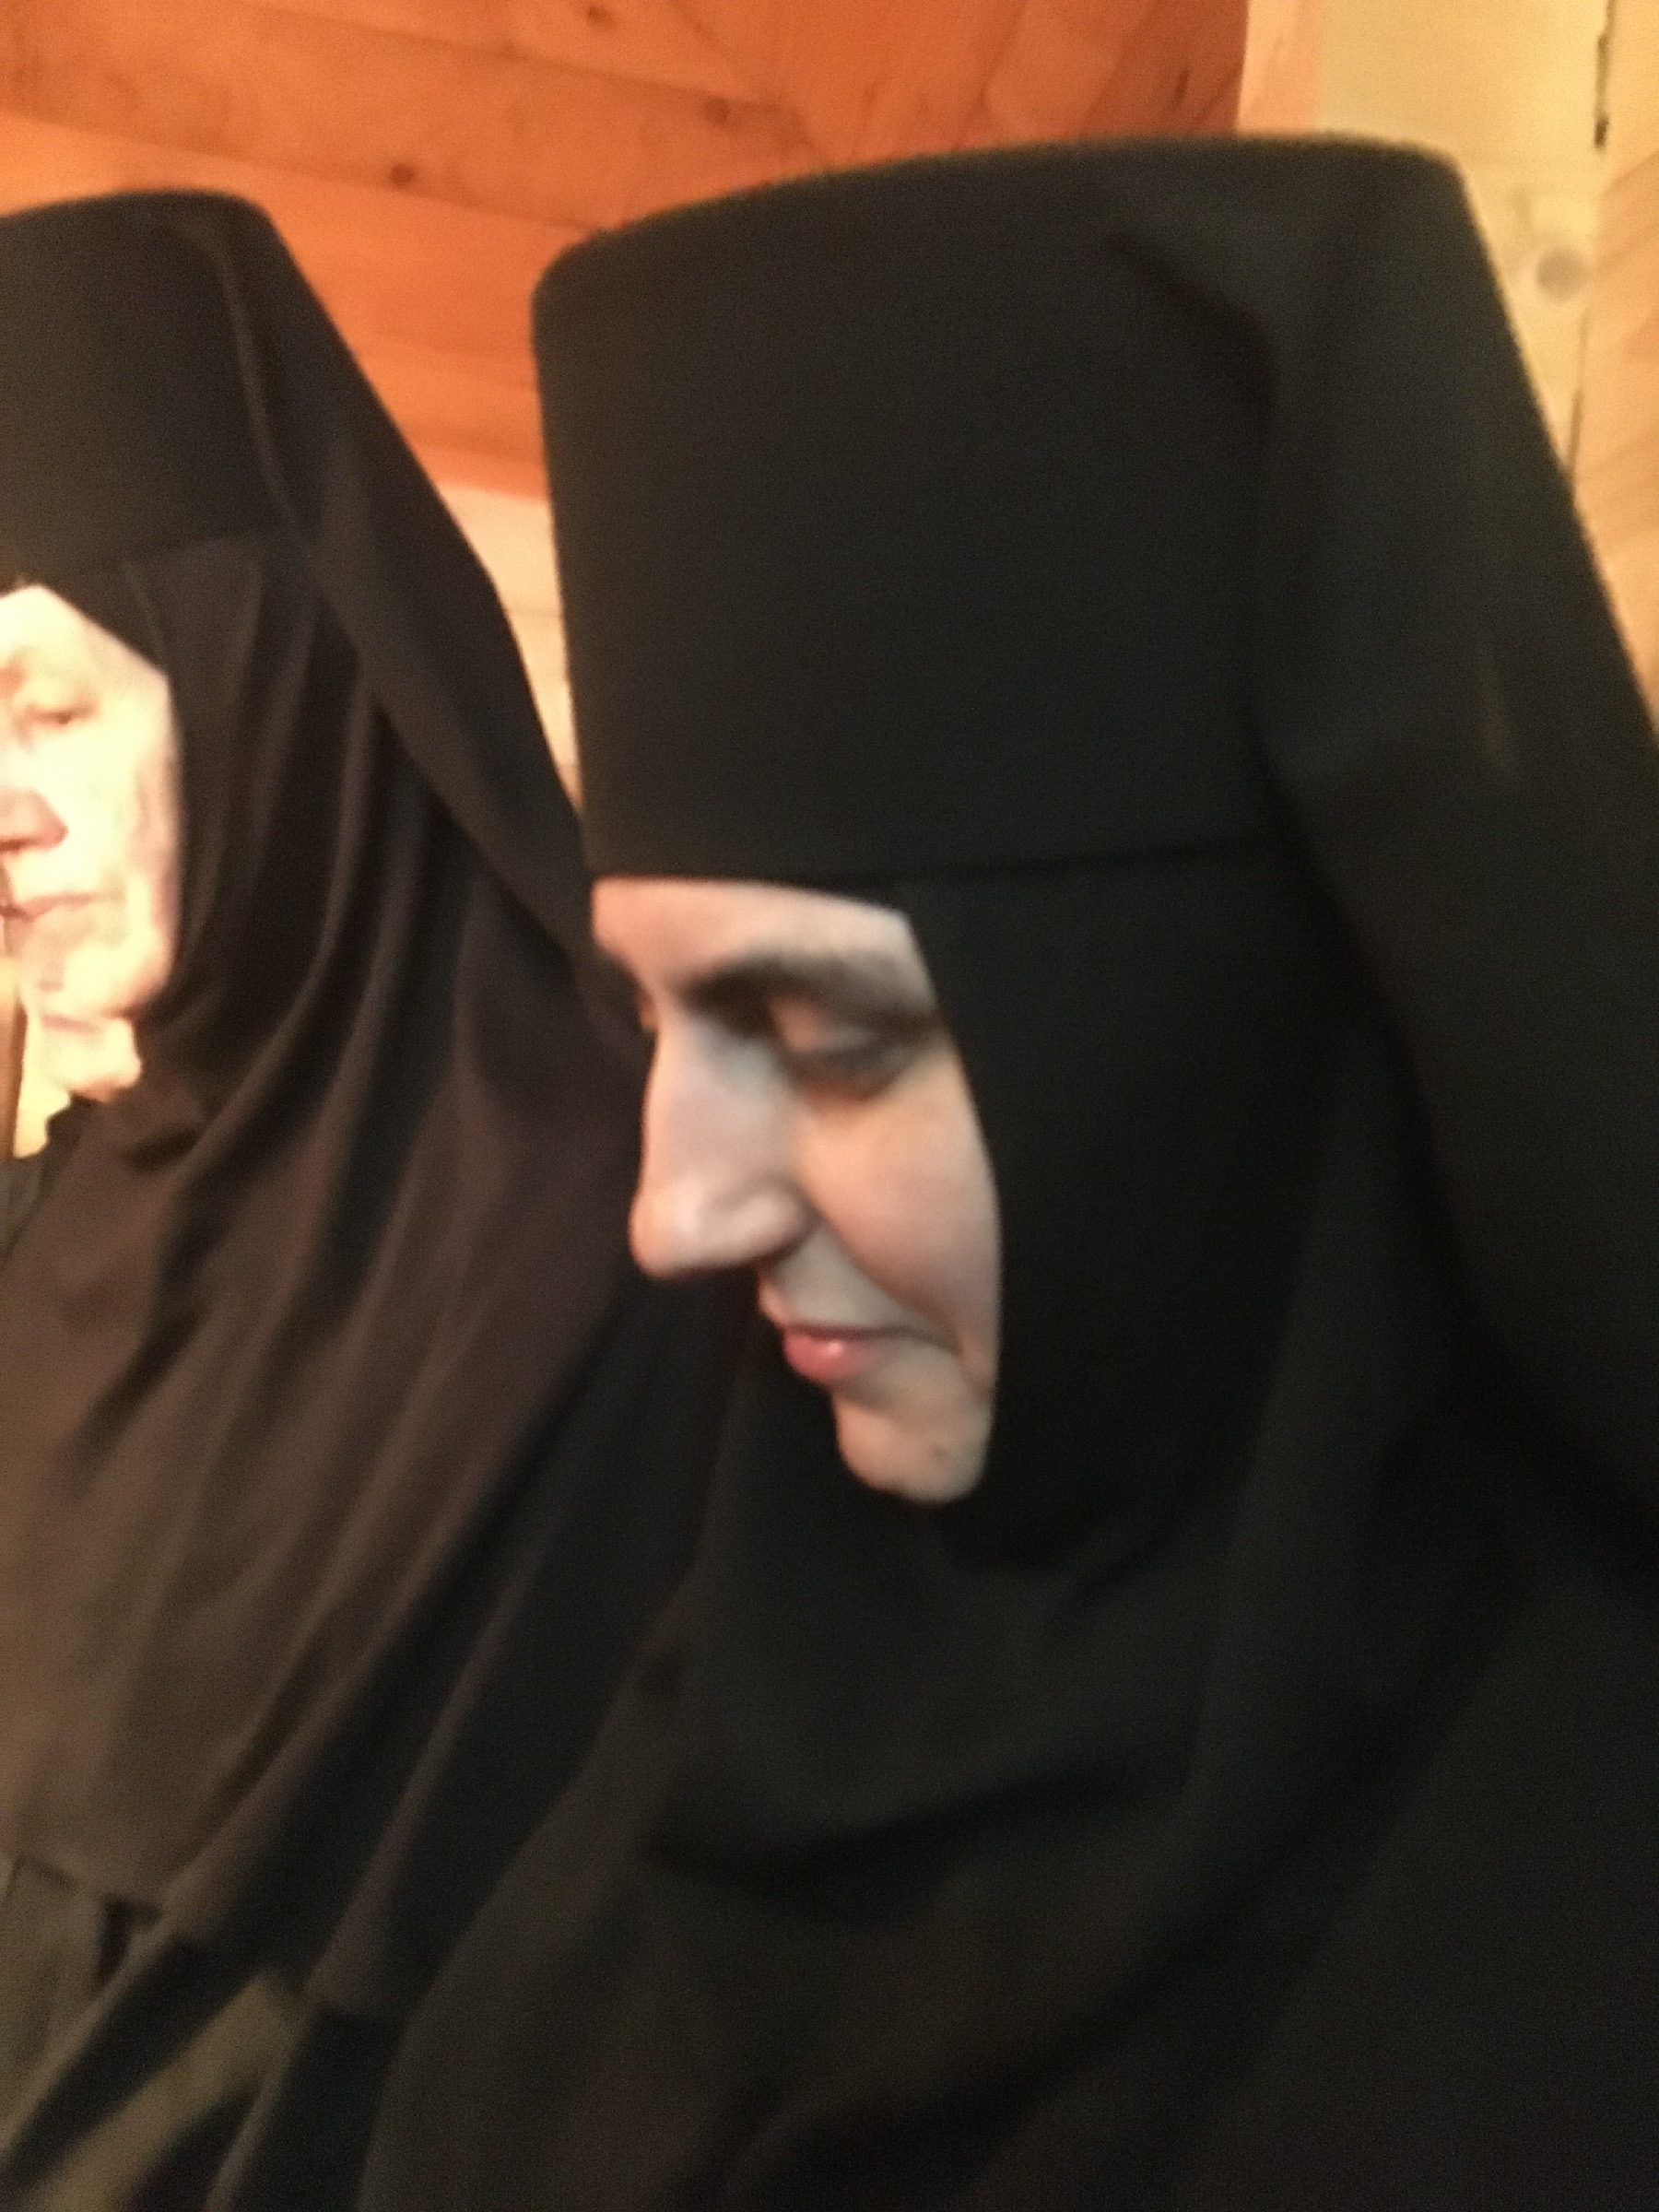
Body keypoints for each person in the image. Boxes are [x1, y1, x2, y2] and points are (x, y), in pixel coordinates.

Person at [359, 140, 1659, 2209]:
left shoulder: (1572, 1934)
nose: (671, 1214)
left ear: (1215, 1030)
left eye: (835, 1038)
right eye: (656, 1017)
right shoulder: (764, 1668)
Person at [0, 191, 740, 2210]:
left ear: (268, 674)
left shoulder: (636, 1232)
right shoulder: (52, 1225)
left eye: (51, 707)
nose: (1, 807)